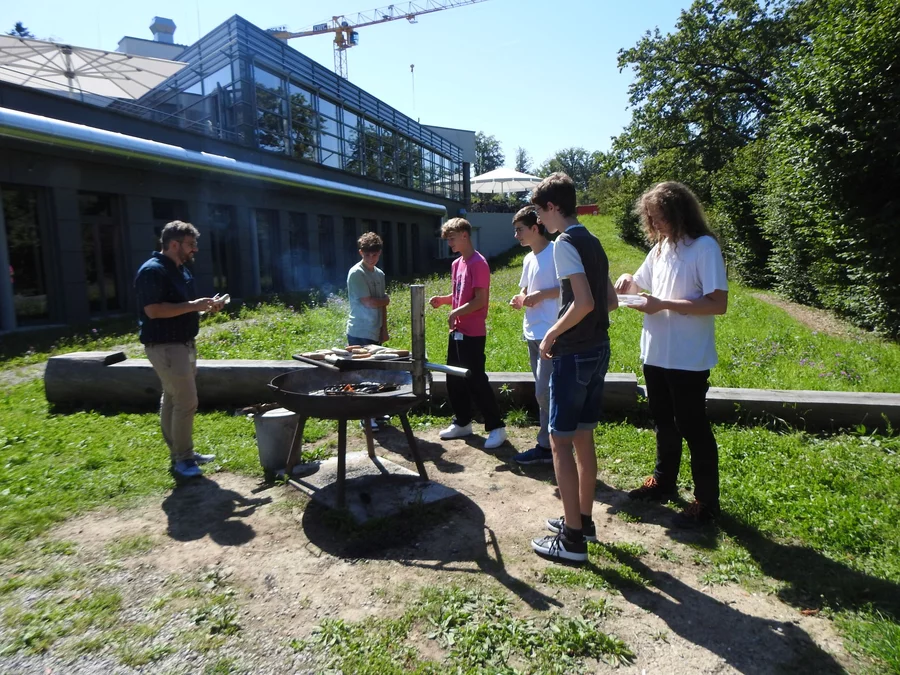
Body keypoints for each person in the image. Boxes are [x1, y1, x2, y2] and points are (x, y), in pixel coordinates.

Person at [615, 181, 728, 528]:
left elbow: (717, 303)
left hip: (688, 356)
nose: (656, 223)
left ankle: (706, 501)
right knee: (664, 422)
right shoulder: (661, 248)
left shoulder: (704, 248)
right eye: (651, 217)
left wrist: (661, 304)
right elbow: (640, 283)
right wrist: (626, 281)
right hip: (656, 353)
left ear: (680, 213)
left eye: (661, 216)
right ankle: (663, 481)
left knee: (692, 426)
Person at [528, 172, 618, 563]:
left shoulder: (564, 242)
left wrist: (550, 334)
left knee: (560, 442)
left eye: (538, 212)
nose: (538, 222)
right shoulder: (592, 240)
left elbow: (584, 303)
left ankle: (573, 542)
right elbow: (610, 301)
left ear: (552, 207)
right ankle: (581, 521)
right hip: (599, 350)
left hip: (574, 354)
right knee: (583, 437)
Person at [135, 221, 225, 480]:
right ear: (173, 244)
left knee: (173, 398)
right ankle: (183, 459)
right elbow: (153, 310)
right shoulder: (152, 271)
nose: (194, 249)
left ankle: (180, 452)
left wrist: (204, 306)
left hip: (183, 343)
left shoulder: (180, 269)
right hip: (165, 345)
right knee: (186, 401)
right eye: (190, 244)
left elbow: (183, 305)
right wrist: (193, 306)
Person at [429, 217, 507, 449]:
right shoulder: (457, 264)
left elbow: (480, 300)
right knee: (453, 377)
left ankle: (496, 427)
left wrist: (456, 312)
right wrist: (444, 301)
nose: (449, 244)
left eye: (452, 239)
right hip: (457, 331)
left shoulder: (478, 263)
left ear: (465, 235)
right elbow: (460, 294)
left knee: (476, 379)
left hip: (473, 332)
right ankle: (462, 422)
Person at [508, 206, 559, 465]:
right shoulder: (529, 258)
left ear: (535, 228)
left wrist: (540, 296)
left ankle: (552, 447)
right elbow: (526, 290)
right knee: (544, 392)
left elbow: (567, 288)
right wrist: (519, 300)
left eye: (520, 230)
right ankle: (549, 444)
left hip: (552, 332)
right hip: (532, 332)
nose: (516, 235)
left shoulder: (556, 252)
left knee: (544, 391)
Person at [346, 231, 390, 431]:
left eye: (375, 254)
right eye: (367, 254)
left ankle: (376, 411)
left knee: (377, 372)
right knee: (363, 374)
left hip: (375, 331)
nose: (371, 258)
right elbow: (370, 302)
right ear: (360, 253)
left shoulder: (379, 274)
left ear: (379, 253)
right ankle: (365, 415)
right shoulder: (357, 273)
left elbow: (381, 306)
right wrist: (385, 300)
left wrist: (384, 329)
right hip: (359, 330)